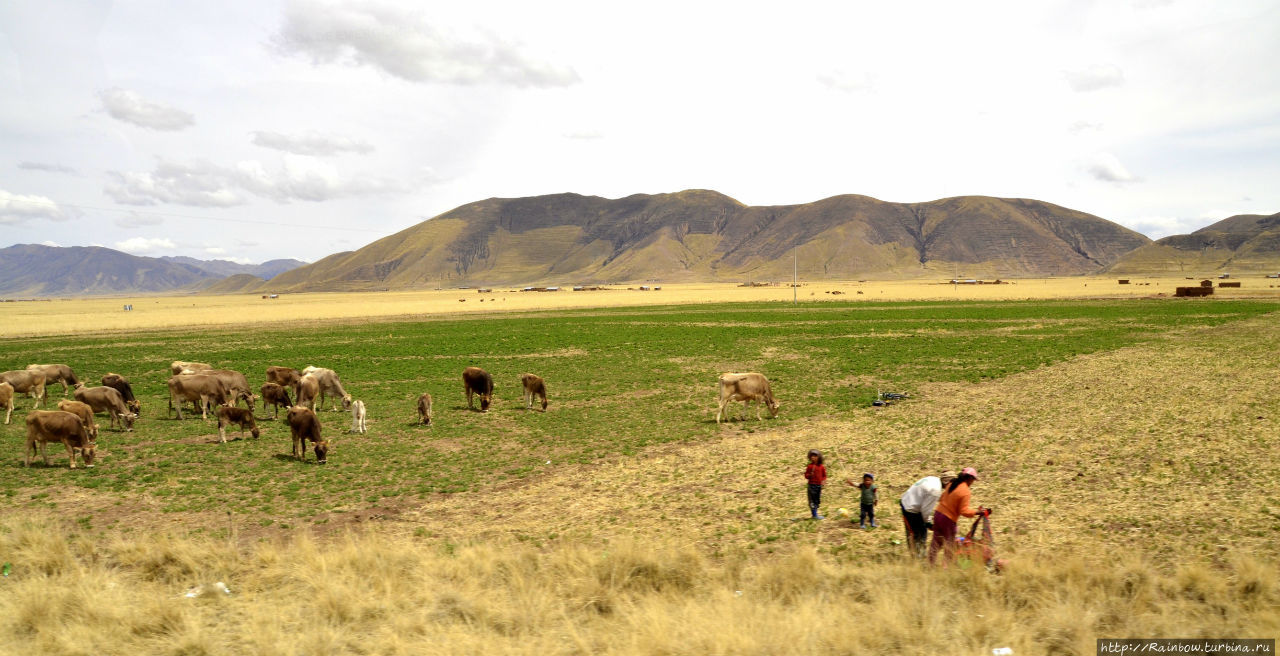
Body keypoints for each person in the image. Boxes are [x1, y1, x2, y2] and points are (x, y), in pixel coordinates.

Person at [928, 467, 988, 565]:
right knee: (949, 545)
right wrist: (977, 512)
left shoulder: (952, 483)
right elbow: (964, 511)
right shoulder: (965, 491)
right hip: (948, 519)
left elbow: (942, 498)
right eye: (973, 480)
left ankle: (930, 565)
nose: (972, 482)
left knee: (936, 543)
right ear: (969, 479)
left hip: (938, 514)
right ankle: (946, 568)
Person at [900, 470, 956, 557]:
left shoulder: (933, 479)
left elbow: (925, 496)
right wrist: (929, 523)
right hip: (910, 509)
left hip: (908, 501)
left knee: (915, 533)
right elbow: (925, 511)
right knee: (918, 534)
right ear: (947, 482)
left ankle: (916, 554)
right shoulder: (935, 491)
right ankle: (918, 557)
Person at [804, 449, 826, 519]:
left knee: (817, 500)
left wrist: (823, 481)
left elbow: (824, 475)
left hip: (818, 486)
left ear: (819, 457)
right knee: (812, 501)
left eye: (815, 456)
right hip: (812, 486)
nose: (813, 457)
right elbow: (806, 476)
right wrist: (810, 475)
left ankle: (815, 513)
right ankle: (814, 515)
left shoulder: (821, 467)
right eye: (812, 456)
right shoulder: (810, 466)